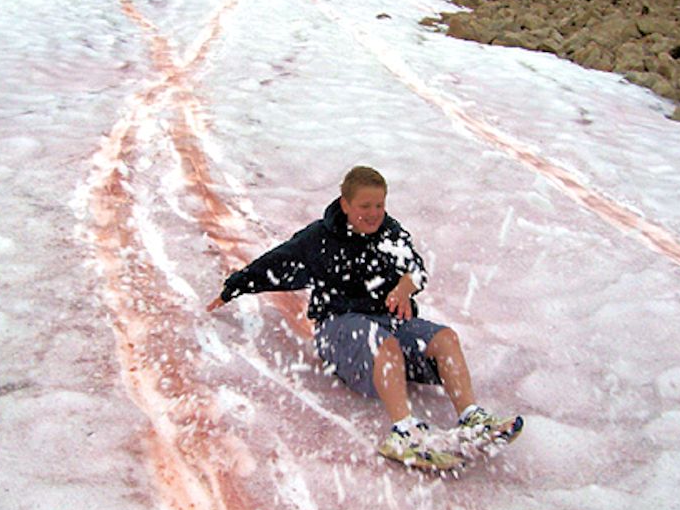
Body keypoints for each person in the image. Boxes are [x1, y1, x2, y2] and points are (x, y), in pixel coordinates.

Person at [207, 166, 522, 469]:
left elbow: (415, 270)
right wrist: (232, 288)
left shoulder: (390, 233)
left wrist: (402, 289)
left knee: (445, 338)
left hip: (388, 322)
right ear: (345, 204)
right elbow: (274, 264)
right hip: (339, 328)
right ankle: (404, 433)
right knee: (384, 346)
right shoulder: (319, 239)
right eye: (365, 205)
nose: (373, 213)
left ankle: (472, 417)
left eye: (379, 205)